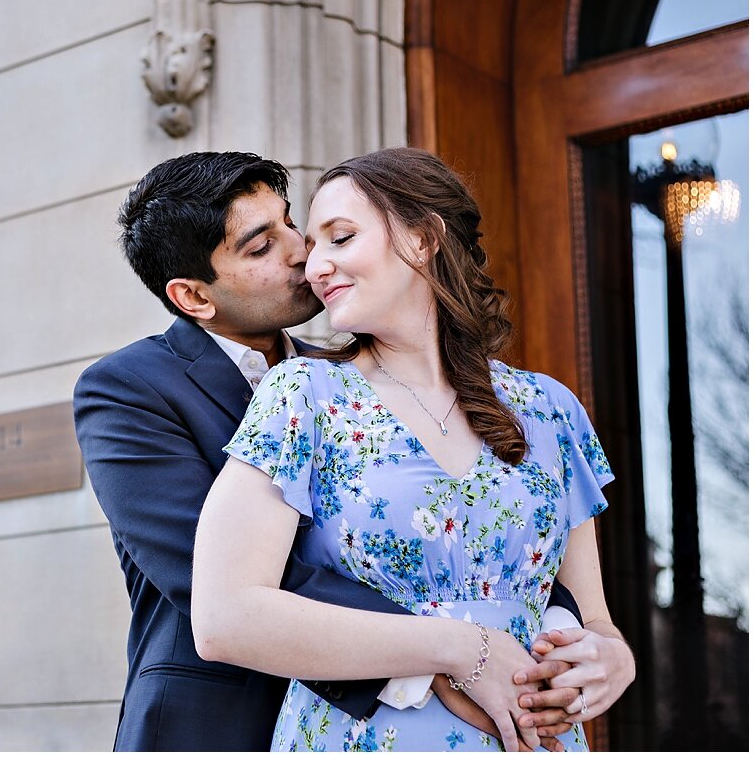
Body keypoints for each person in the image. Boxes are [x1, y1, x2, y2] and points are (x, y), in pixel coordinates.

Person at [74, 152, 591, 751]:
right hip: (222, 718)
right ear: (193, 296)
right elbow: (210, 575)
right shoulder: (128, 389)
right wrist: (448, 648)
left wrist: (550, 624)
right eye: (261, 246)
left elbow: (462, 532)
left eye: (291, 223)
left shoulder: (350, 380)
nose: (302, 252)